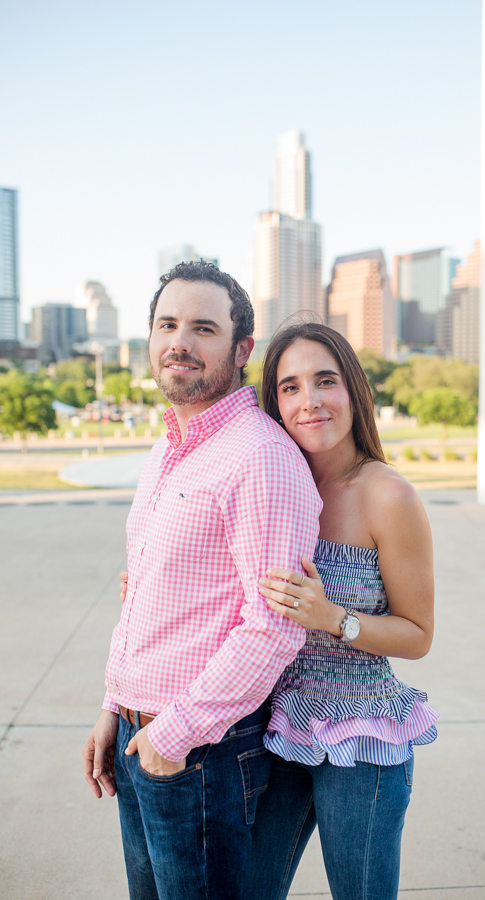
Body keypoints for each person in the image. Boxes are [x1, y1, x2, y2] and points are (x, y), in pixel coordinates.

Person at [82, 261, 322, 898]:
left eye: (203, 328)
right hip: (143, 736)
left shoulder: (262, 457)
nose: (178, 341)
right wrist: (115, 705)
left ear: (242, 349)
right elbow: (141, 594)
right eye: (167, 324)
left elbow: (273, 628)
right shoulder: (168, 449)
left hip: (201, 749)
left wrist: (173, 735)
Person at [247, 321, 437, 900]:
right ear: (274, 403)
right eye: (290, 387)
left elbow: (418, 634)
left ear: (353, 390)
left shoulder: (389, 495)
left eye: (325, 381)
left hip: (361, 733)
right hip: (277, 726)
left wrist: (334, 617)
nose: (310, 402)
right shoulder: (274, 483)